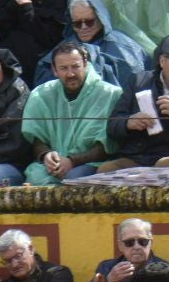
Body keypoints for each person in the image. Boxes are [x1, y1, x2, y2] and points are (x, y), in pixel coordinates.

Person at [99, 34, 169, 176]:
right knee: (106, 170)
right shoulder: (138, 82)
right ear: (162, 61)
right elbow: (112, 126)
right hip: (138, 156)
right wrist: (128, 122)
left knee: (165, 166)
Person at [21, 41, 118, 184]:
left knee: (73, 178)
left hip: (92, 164)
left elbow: (108, 145)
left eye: (75, 66)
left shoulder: (110, 94)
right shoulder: (40, 95)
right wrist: (46, 155)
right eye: (64, 68)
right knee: (35, 177)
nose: (71, 73)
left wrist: (72, 161)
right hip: (54, 165)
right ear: (54, 70)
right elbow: (36, 137)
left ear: (85, 64)